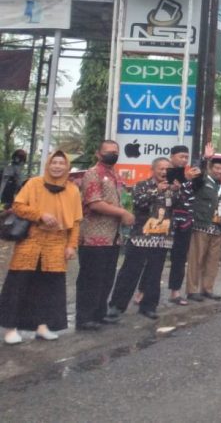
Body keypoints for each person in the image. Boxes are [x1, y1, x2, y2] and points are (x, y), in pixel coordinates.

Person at [0, 150, 81, 343]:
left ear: (67, 167)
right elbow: (18, 206)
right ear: (48, 164)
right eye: (54, 162)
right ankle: (11, 328)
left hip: (56, 243)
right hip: (31, 239)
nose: (57, 166)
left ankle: (43, 326)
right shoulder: (34, 184)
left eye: (62, 163)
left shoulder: (72, 190)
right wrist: (40, 215)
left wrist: (72, 245)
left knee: (49, 286)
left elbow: (76, 221)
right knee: (19, 283)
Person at [75, 140, 134, 331]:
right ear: (98, 154)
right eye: (108, 151)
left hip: (112, 237)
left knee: (106, 278)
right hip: (93, 236)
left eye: (115, 151)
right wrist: (122, 213)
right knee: (91, 278)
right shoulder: (93, 173)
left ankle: (98, 314)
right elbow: (94, 203)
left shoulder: (114, 175)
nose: (113, 154)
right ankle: (84, 318)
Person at [108, 157, 176, 321]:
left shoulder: (172, 188)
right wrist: (157, 191)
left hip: (162, 238)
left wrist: (177, 190)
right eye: (160, 168)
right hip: (141, 237)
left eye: (167, 169)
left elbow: (179, 206)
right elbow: (139, 203)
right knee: (130, 271)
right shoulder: (142, 185)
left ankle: (149, 306)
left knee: (154, 274)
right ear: (152, 170)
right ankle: (117, 306)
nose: (164, 172)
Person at [186, 157, 221, 301]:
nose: (220, 171)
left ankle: (207, 289)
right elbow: (196, 173)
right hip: (202, 227)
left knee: (212, 262)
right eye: (217, 168)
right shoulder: (202, 181)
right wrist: (205, 158)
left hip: (218, 229)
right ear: (210, 168)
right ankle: (192, 291)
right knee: (196, 260)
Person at [163, 145, 198, 306]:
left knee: (179, 257)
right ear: (172, 156)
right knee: (156, 257)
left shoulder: (190, 174)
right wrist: (185, 179)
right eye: (181, 156)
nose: (184, 160)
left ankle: (175, 292)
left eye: (186, 157)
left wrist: (207, 159)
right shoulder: (165, 173)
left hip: (185, 222)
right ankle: (143, 292)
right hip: (165, 221)